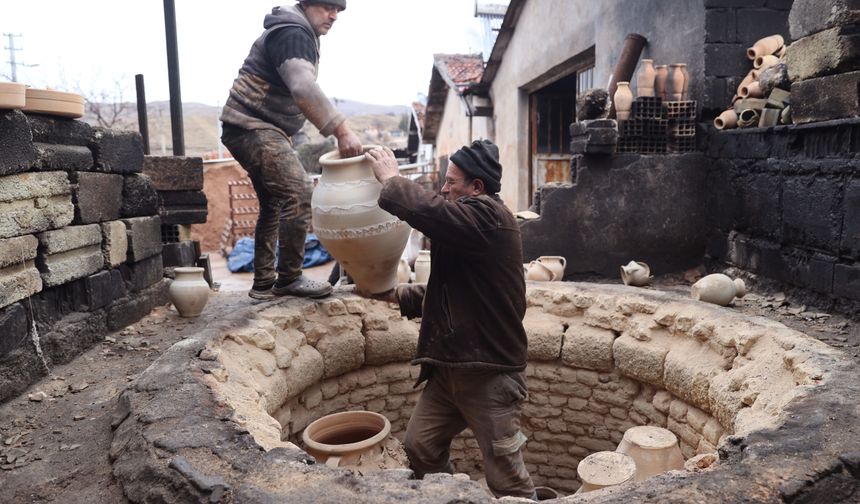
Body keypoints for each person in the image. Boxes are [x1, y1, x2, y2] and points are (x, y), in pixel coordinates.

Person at [361, 141, 536, 499]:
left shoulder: (490, 219)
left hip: (489, 374)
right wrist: (395, 295)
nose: (444, 188)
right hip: (449, 371)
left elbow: (434, 212)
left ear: (477, 188)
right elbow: (451, 291)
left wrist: (392, 181)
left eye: (452, 182)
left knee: (506, 477)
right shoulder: (467, 231)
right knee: (421, 448)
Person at [220, 0, 362, 300]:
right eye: (327, 7)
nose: (334, 15)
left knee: (274, 203)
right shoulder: (293, 33)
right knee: (298, 193)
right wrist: (342, 130)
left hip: (249, 127)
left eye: (339, 10)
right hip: (252, 125)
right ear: (308, 3)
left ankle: (263, 283)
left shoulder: (298, 31)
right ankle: (289, 278)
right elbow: (303, 88)